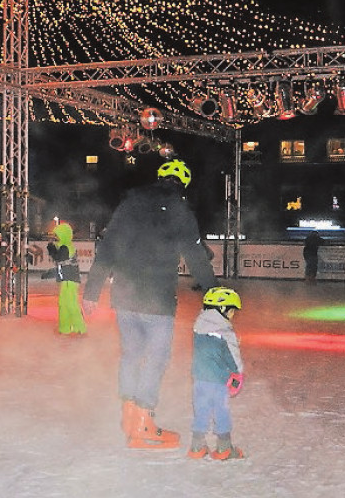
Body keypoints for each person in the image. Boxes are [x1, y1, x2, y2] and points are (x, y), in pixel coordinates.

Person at [83, 158, 218, 450]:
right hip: (157, 298)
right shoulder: (180, 209)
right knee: (155, 359)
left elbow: (108, 247)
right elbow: (195, 255)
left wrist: (92, 291)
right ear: (182, 184)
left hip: (125, 296)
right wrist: (215, 295)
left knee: (131, 355)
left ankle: (128, 417)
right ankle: (143, 423)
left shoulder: (129, 204)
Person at [189, 286, 246, 460]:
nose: (232, 316)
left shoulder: (198, 327)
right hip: (219, 380)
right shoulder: (225, 332)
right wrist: (238, 375)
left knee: (201, 410)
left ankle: (197, 446)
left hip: (199, 378)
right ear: (223, 310)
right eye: (231, 312)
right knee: (221, 410)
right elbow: (233, 358)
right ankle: (224, 447)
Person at [43, 222, 86, 336]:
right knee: (63, 304)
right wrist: (49, 274)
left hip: (69, 280)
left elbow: (58, 257)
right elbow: (61, 264)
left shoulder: (66, 247)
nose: (56, 237)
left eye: (58, 235)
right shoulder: (64, 246)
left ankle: (80, 328)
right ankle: (65, 328)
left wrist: (51, 248)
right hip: (66, 280)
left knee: (71, 304)